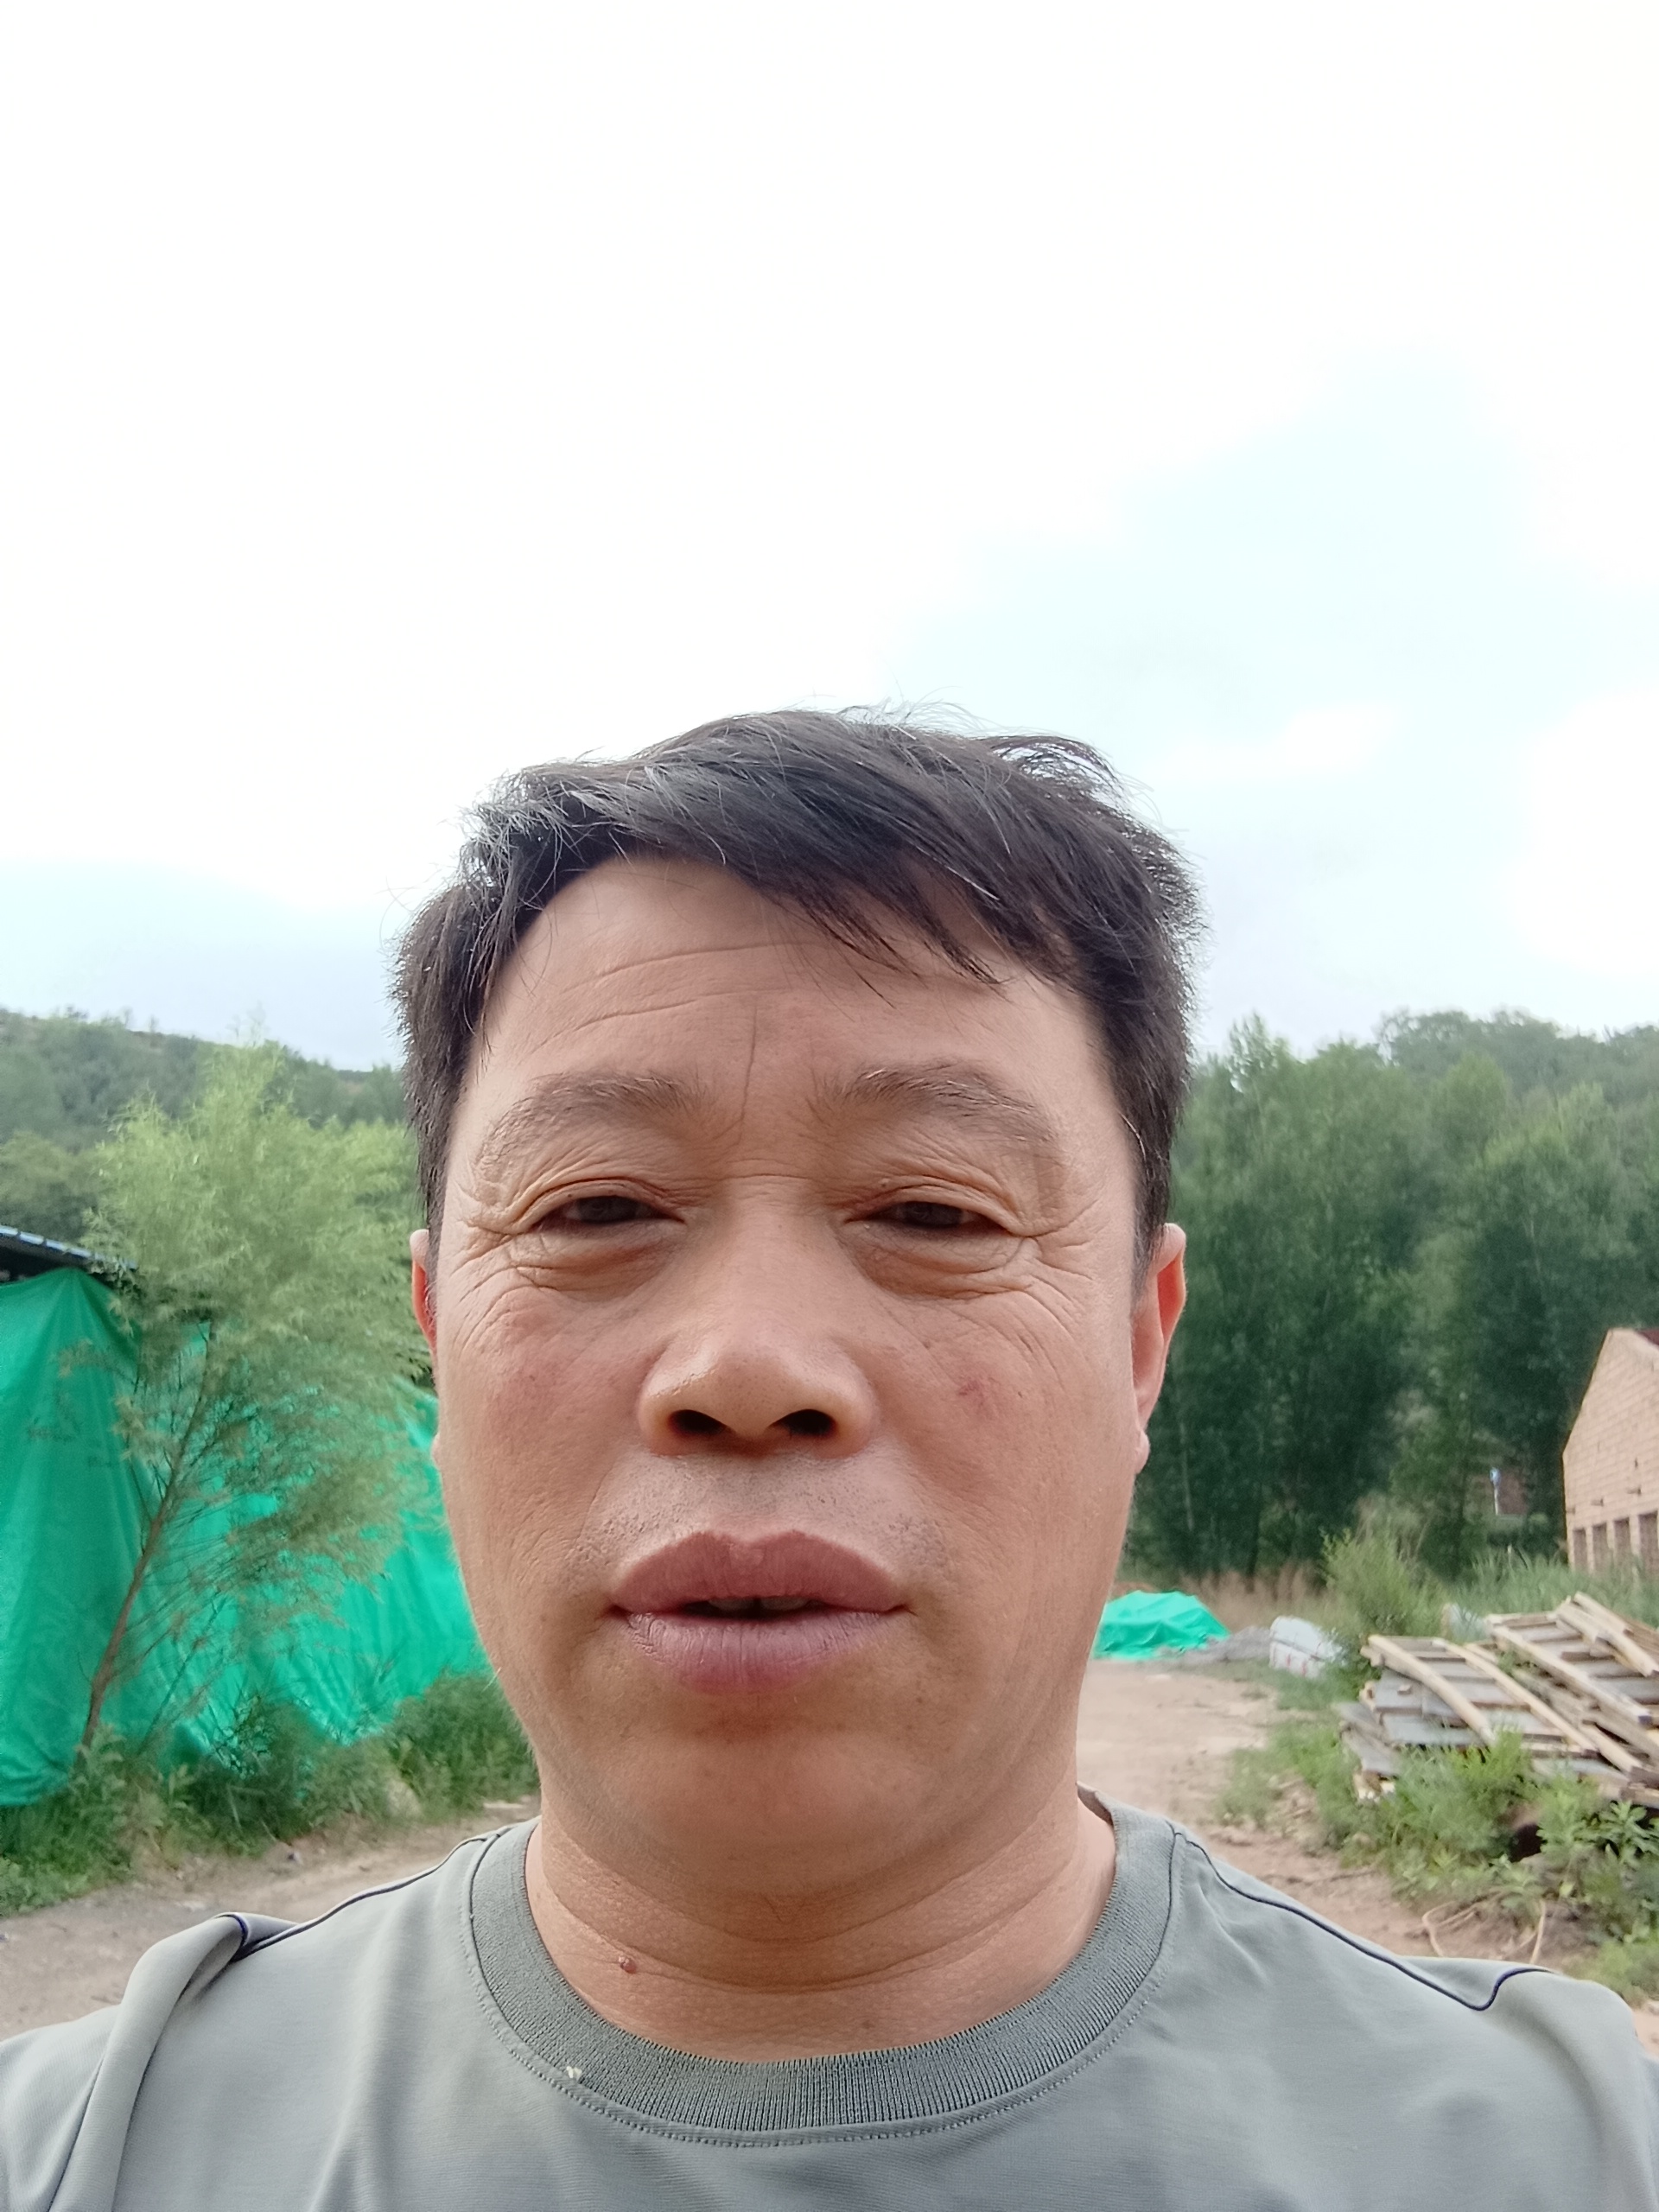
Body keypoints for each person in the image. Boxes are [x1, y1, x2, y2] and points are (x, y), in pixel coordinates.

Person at [2, 711, 1655, 2211]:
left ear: (1140, 1342)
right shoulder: (93, 2153)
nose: (745, 1370)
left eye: (935, 1211)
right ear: (438, 1338)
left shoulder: (1561, 2159)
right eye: (596, 1208)